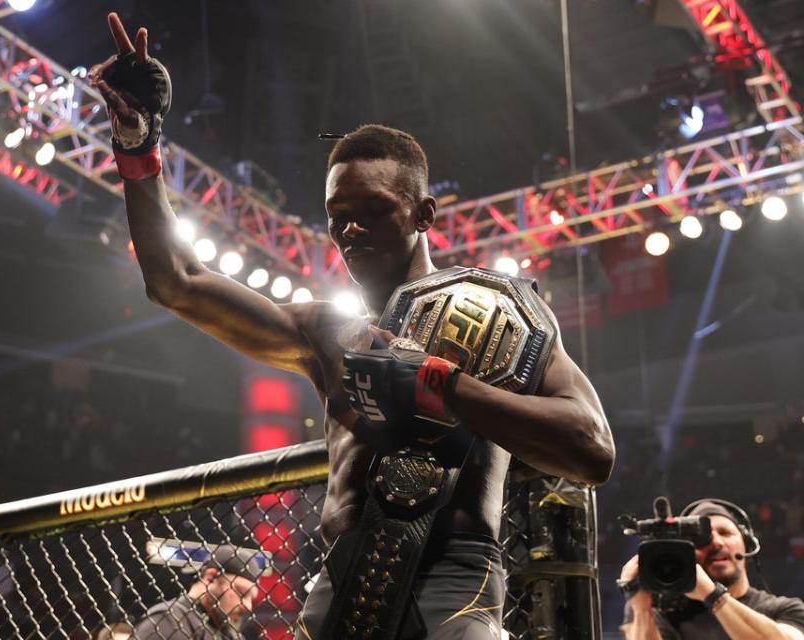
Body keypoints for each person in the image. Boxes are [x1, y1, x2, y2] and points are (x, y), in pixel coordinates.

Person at [89, 13, 614, 639]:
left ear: (423, 213)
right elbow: (177, 281)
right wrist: (137, 144)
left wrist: (438, 381)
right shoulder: (324, 331)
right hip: (339, 581)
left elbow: (592, 447)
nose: (352, 229)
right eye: (340, 215)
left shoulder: (497, 319)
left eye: (374, 211)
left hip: (455, 582)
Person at [620, 500, 804, 639]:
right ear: (687, 552)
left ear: (747, 544)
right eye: (702, 538)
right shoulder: (665, 614)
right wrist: (641, 606)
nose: (716, 542)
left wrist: (712, 595)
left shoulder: (786, 608)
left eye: (725, 533)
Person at [132, 545, 264, 640]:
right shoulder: (169, 622)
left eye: (251, 598)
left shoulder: (227, 635)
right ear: (211, 578)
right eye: (241, 593)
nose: (248, 606)